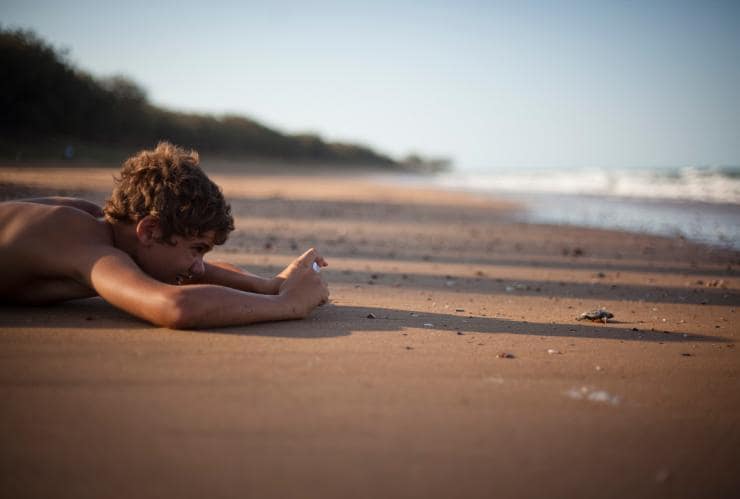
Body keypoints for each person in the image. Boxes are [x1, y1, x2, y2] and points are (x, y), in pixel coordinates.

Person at [0, 142, 330, 329]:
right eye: (196, 249)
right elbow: (175, 306)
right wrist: (288, 304)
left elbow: (177, 273)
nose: (199, 266)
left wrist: (268, 285)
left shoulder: (103, 227)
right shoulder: (88, 246)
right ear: (150, 229)